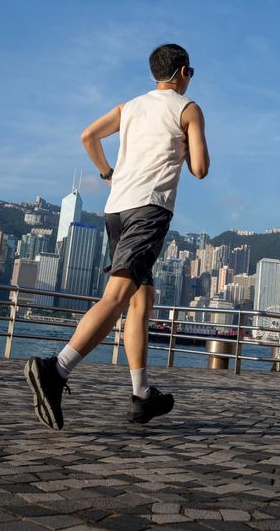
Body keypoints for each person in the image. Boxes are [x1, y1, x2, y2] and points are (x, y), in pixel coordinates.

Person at [25, 43, 209, 430]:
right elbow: (200, 168)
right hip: (148, 210)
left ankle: (141, 395)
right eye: (190, 72)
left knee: (141, 299)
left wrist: (108, 174)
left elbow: (88, 136)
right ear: (182, 73)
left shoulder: (129, 107)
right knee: (117, 297)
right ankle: (56, 370)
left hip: (117, 210)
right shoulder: (188, 109)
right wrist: (190, 134)